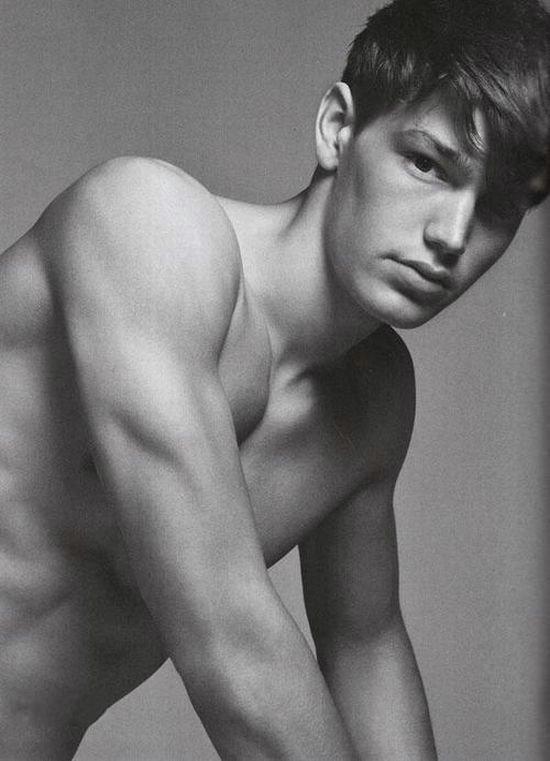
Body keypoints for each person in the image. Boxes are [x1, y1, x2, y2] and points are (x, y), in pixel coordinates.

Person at [1, 0, 549, 758]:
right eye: (427, 164)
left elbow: (364, 647)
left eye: (494, 208)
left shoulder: (371, 400)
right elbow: (227, 640)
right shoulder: (148, 229)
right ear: (337, 128)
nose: (451, 236)